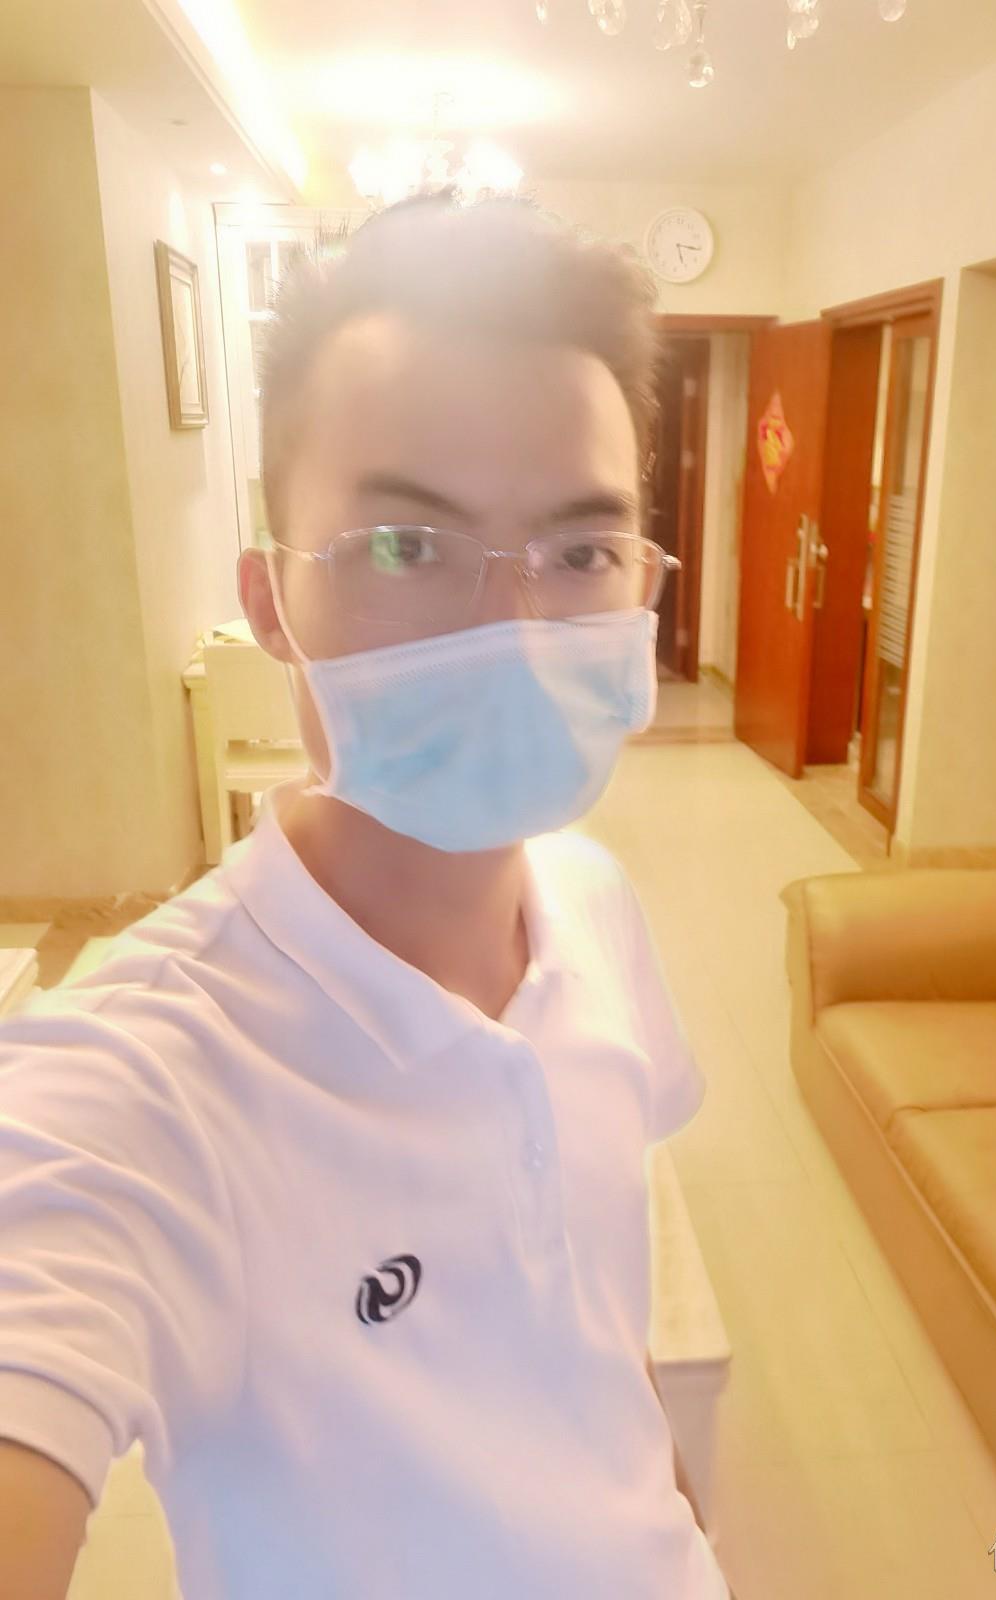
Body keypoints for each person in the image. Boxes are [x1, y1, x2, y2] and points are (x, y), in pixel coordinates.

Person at [0, 193, 731, 1599]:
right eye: (407, 545)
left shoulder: (595, 906)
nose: (516, 630)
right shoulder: (140, 1086)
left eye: (581, 552)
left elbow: (604, 1331)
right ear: (271, 601)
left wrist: (696, 1541)